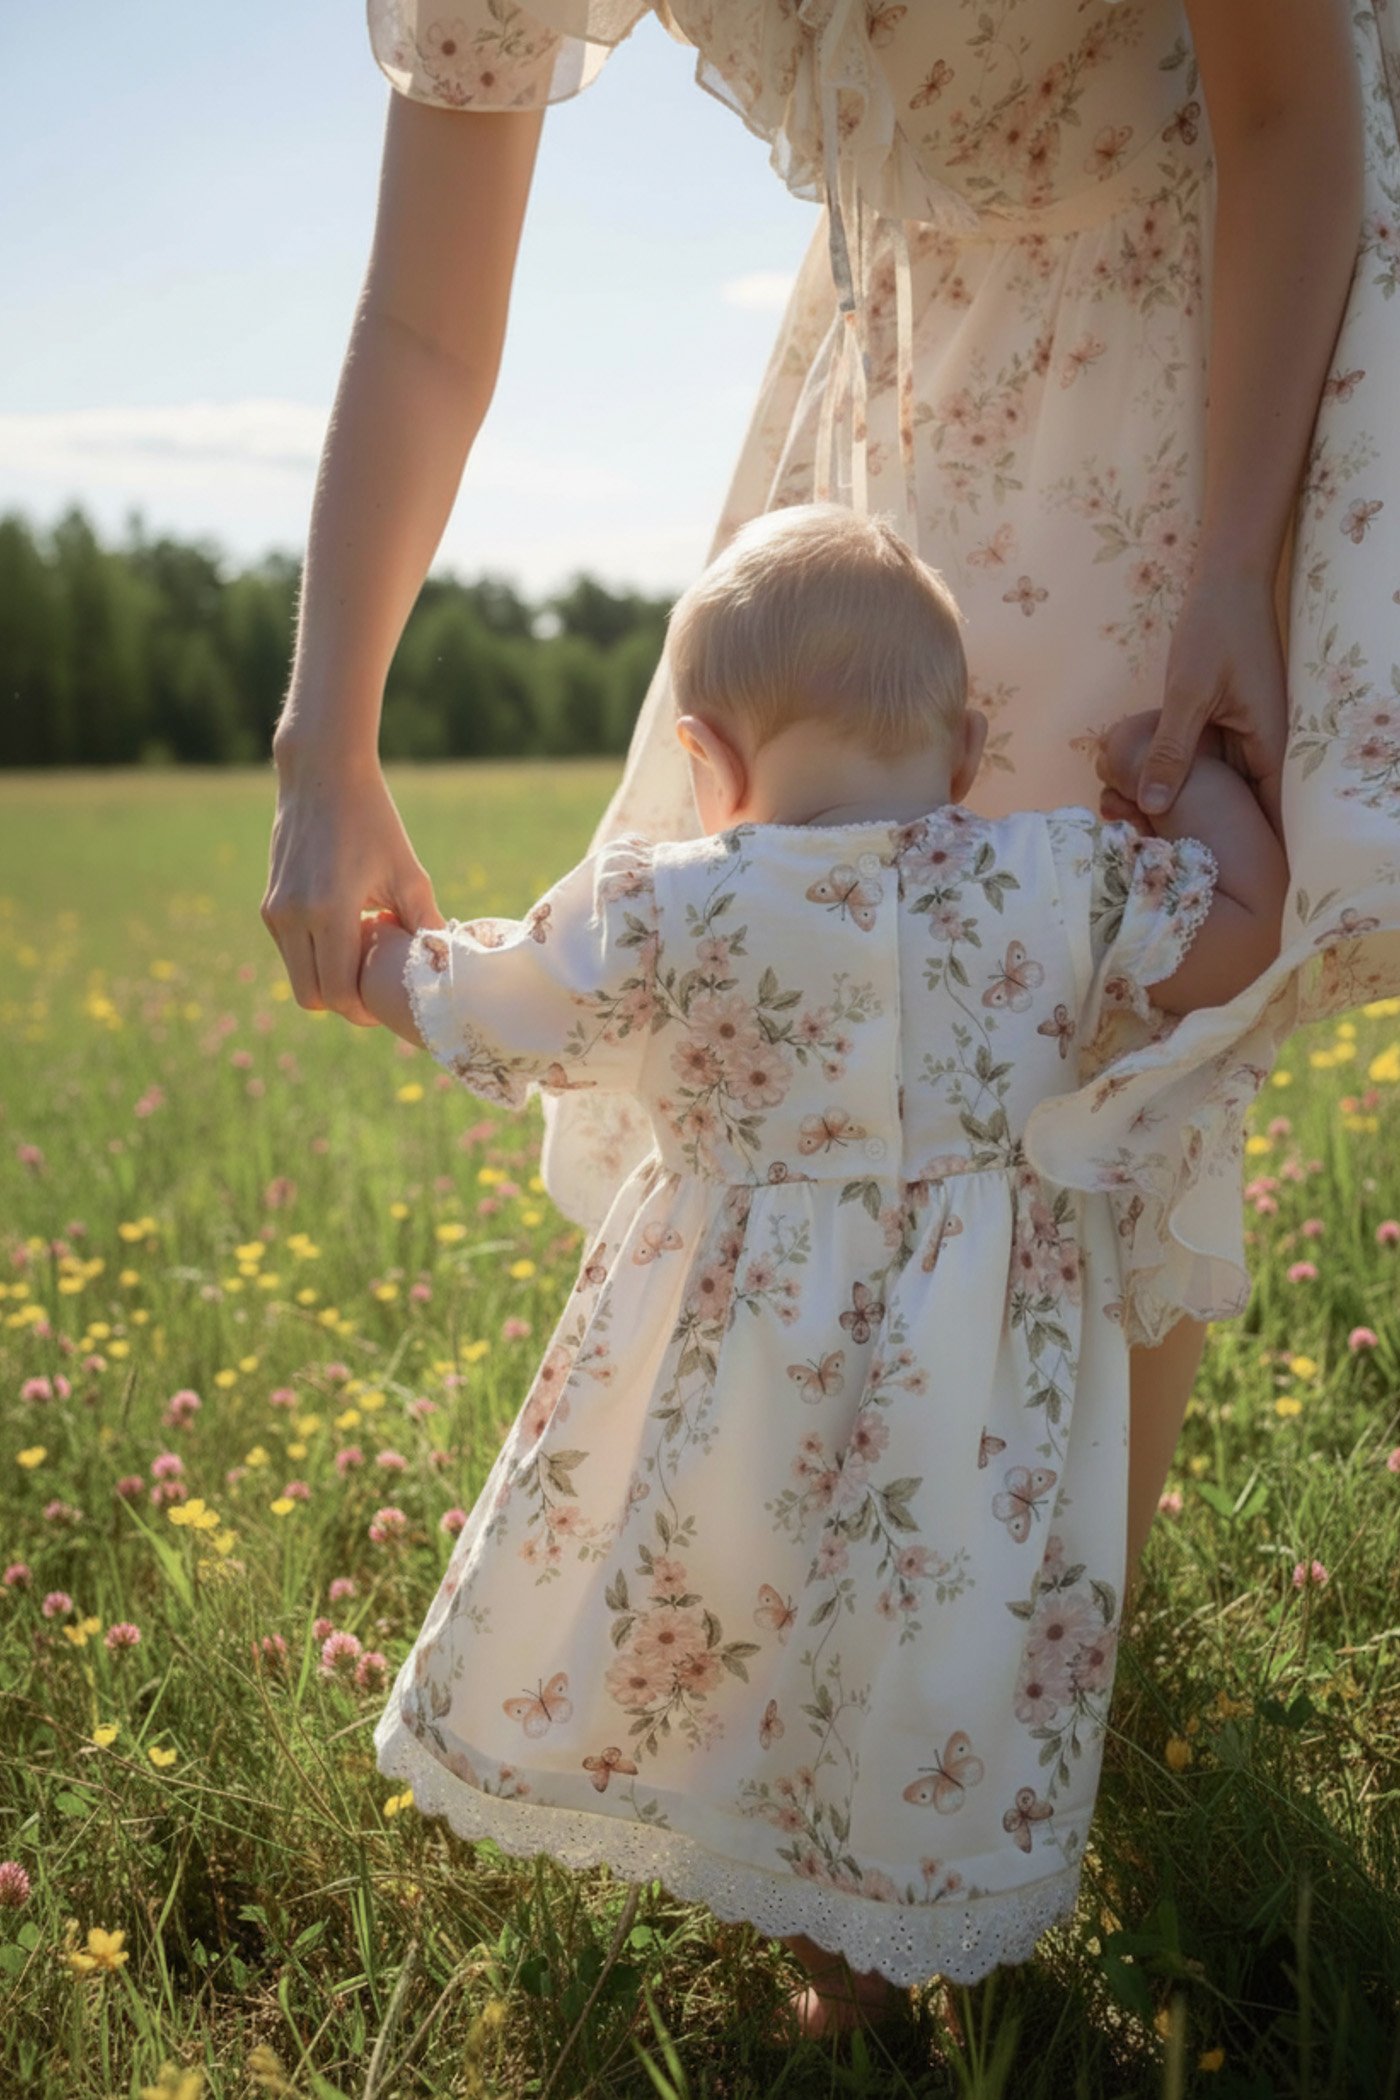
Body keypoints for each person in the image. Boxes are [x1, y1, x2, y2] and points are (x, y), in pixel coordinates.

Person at [262, 0, 1394, 1675]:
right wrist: (322, 742)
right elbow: (428, 320)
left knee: (1096, 1018)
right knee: (880, 919)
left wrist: (1236, 565)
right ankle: (845, 1662)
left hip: (1209, 296)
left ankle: (1014, 1686)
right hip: (907, 334)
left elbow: (1295, 116)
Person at [355, 504, 1287, 2038]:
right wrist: (1198, 785)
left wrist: (374, 963)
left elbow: (496, 1006)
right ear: (972, 745)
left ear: (707, 755)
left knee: (734, 1585)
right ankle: (888, 1920)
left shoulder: (664, 900)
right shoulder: (1057, 880)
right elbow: (1243, 937)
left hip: (740, 1362)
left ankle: (773, 1884)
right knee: (933, 1610)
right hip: (971, 1377)